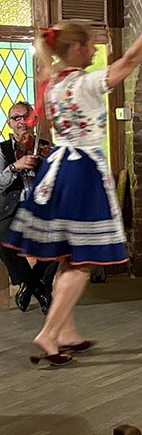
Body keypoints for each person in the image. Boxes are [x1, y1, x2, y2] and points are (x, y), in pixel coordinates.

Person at [3, 5, 142, 365]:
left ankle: (66, 331)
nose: (94, 50)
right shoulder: (85, 83)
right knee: (83, 260)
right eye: (90, 44)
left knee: (68, 254)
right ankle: (48, 334)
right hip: (82, 172)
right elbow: (129, 61)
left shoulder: (52, 84)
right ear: (75, 47)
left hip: (59, 168)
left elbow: (54, 65)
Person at [0, 101, 58, 313]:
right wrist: (15, 166)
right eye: (17, 118)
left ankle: (32, 285)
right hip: (12, 208)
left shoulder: (45, 147)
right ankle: (38, 287)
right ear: (9, 124)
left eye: (27, 117)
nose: (22, 122)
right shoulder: (2, 150)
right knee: (3, 242)